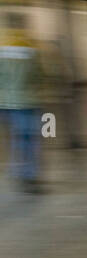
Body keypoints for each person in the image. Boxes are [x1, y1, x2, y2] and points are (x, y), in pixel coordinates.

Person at [0, 26, 44, 192]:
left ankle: (15, 169)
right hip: (28, 102)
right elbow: (40, 77)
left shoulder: (2, 56)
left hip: (5, 103)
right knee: (29, 138)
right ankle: (29, 174)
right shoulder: (31, 55)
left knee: (14, 137)